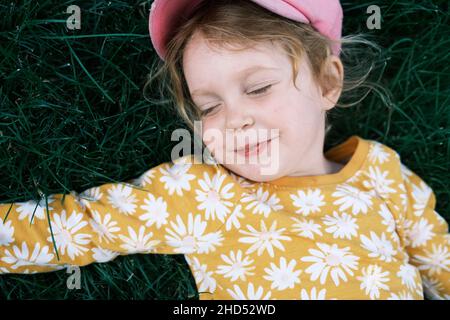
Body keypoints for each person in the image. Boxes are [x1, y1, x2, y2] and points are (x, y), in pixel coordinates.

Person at [1, 0, 449, 300]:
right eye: (209, 107)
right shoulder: (202, 192)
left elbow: (441, 262)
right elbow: (80, 225)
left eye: (257, 88)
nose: (235, 120)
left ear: (328, 81)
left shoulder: (383, 172)